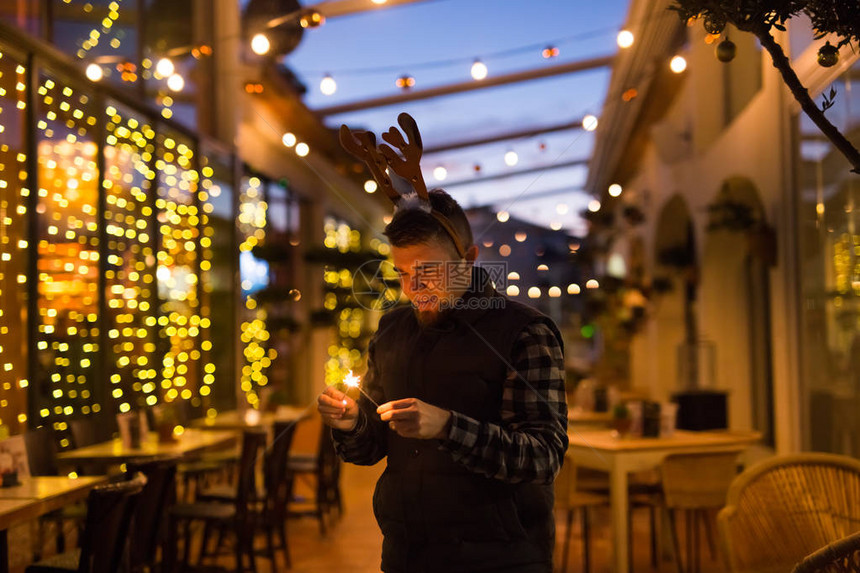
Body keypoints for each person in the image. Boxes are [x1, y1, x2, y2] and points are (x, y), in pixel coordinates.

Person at [318, 182, 568, 572]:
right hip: (406, 554)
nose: (414, 288)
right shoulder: (392, 329)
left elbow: (542, 457)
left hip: (501, 558)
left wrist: (448, 427)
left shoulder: (524, 331)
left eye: (428, 271)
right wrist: (351, 423)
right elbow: (369, 449)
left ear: (468, 259)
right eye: (402, 273)